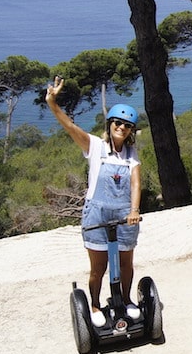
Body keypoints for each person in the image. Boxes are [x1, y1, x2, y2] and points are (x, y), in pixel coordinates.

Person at [46, 76, 142, 328]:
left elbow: (135, 184)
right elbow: (70, 127)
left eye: (127, 125)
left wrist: (134, 210)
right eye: (118, 123)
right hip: (96, 214)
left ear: (131, 131)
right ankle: (95, 304)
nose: (122, 128)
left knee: (125, 263)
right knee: (97, 267)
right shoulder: (95, 146)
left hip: (124, 215)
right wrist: (52, 102)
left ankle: (127, 299)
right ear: (110, 124)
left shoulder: (132, 154)